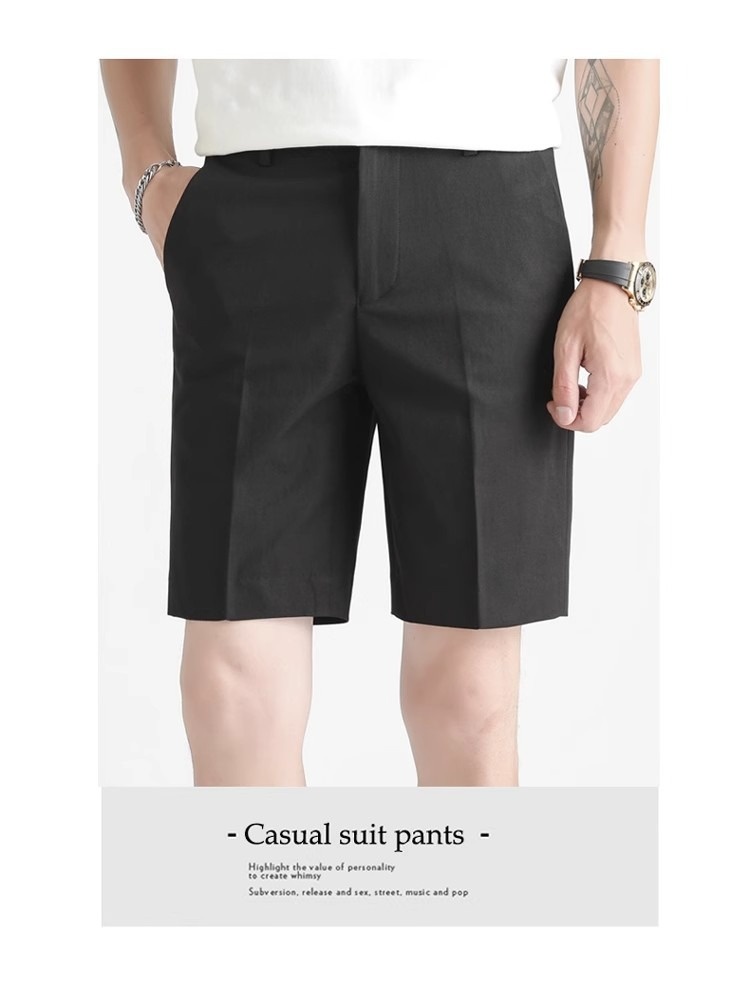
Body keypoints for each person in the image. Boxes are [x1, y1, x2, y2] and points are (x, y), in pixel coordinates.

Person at [100, 58, 659, 787]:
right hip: (254, 194)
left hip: (485, 202)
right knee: (231, 692)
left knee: (469, 698)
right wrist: (146, 170)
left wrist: (618, 259)